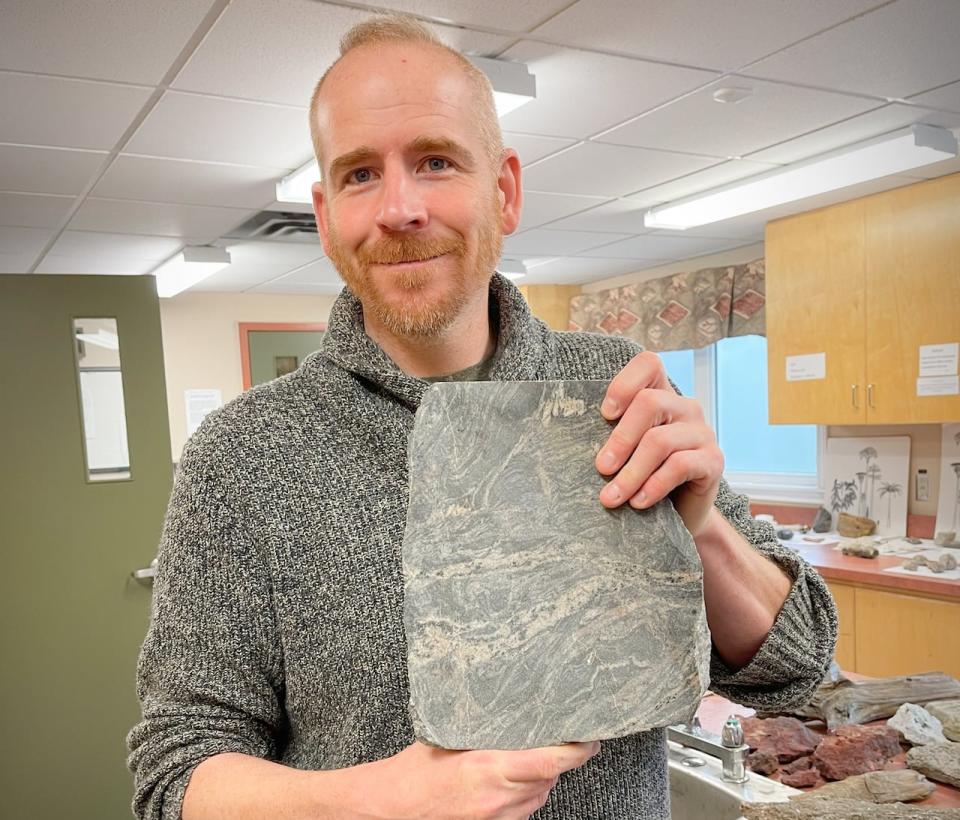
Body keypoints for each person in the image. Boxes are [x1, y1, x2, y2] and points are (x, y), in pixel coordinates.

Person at [127, 14, 837, 820]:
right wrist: (375, 801)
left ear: (503, 191)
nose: (399, 207)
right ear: (325, 217)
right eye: (360, 175)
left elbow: (796, 665)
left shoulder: (613, 389)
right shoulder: (243, 455)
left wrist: (701, 527)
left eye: (435, 161)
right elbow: (174, 773)